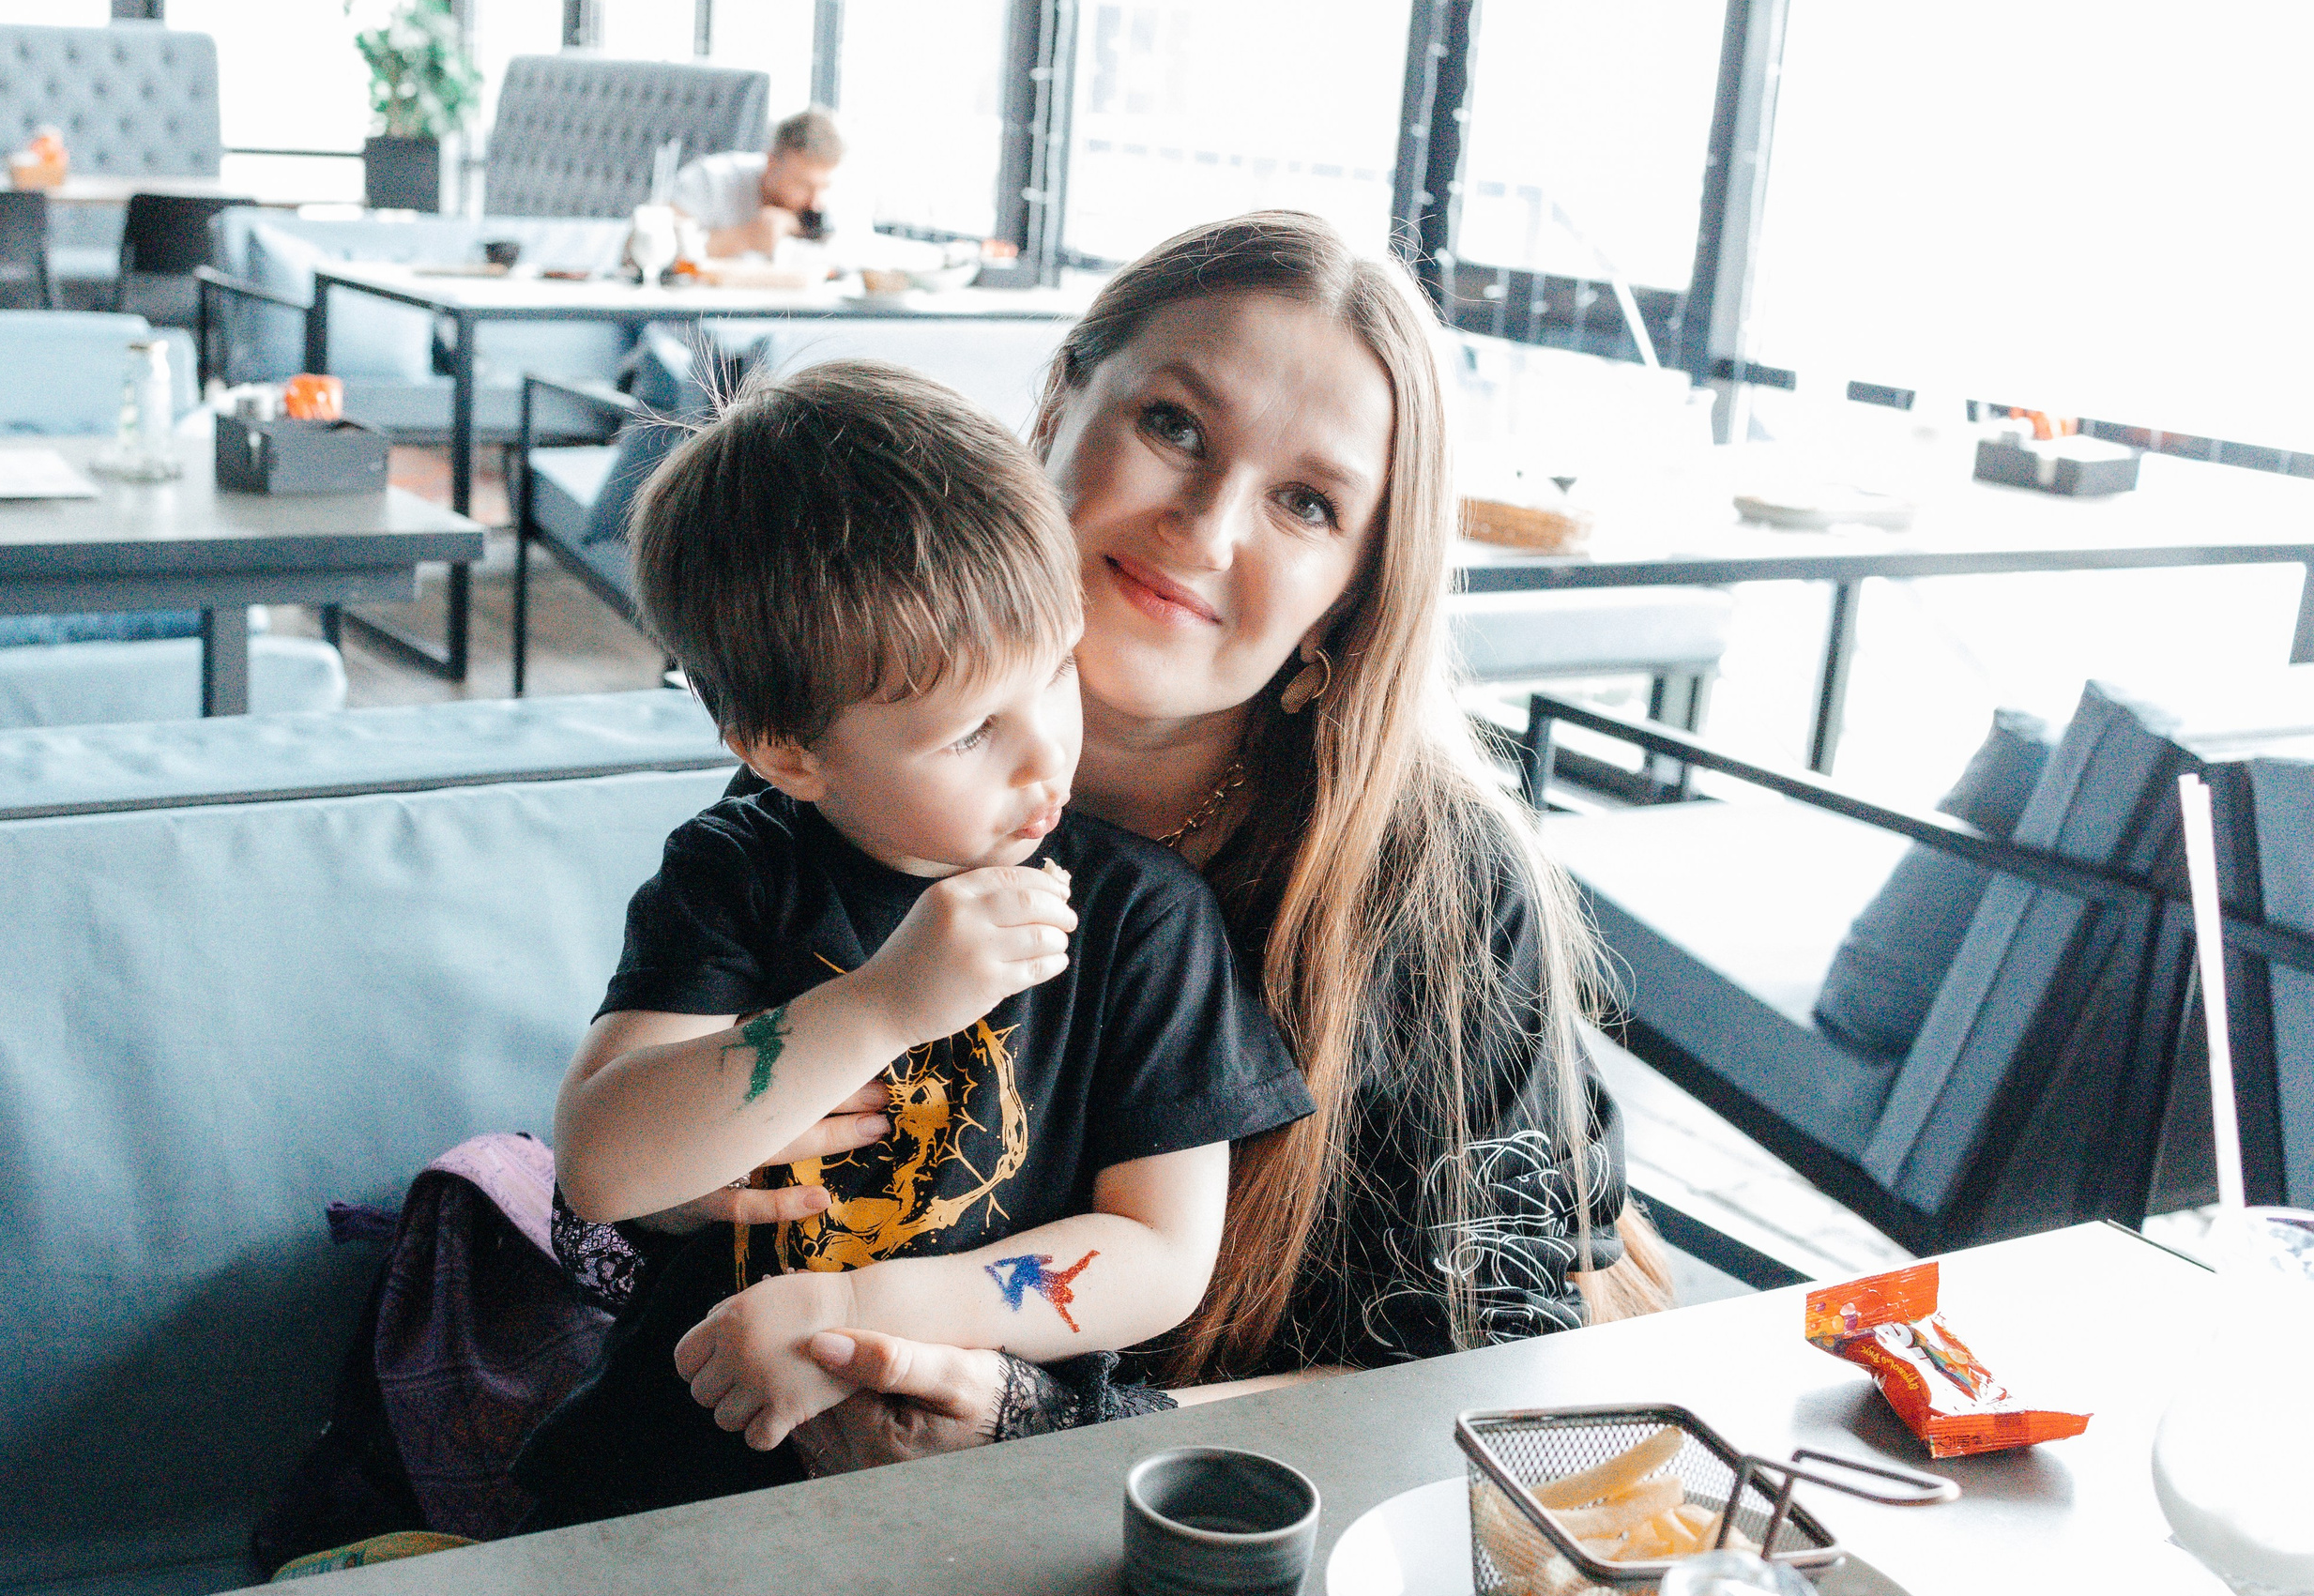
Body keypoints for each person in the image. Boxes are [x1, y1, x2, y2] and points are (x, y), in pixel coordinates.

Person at [625, 210, 1675, 1475]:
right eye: (1174, 425)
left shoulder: (1432, 886)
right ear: (1063, 403)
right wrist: (695, 1172)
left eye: (1307, 502)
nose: (1207, 525)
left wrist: (1035, 1427)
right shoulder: (862, 746)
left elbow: (1500, 1387)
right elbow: (645, 1130)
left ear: (1356, 588)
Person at [513, 360, 1312, 1524]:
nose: (1045, 755)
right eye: (972, 731)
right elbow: (603, 1161)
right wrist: (882, 1005)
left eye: (1053, 670)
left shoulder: (1141, 915)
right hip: (665, 1478)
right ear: (789, 752)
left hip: (957, 1484)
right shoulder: (742, 866)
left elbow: (1157, 1256)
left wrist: (864, 1306)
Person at [670, 106, 845, 259]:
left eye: (824, 187)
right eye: (803, 185)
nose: (815, 203)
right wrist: (745, 238)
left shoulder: (823, 207)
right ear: (771, 163)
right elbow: (661, 249)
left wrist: (797, 226)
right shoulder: (710, 179)